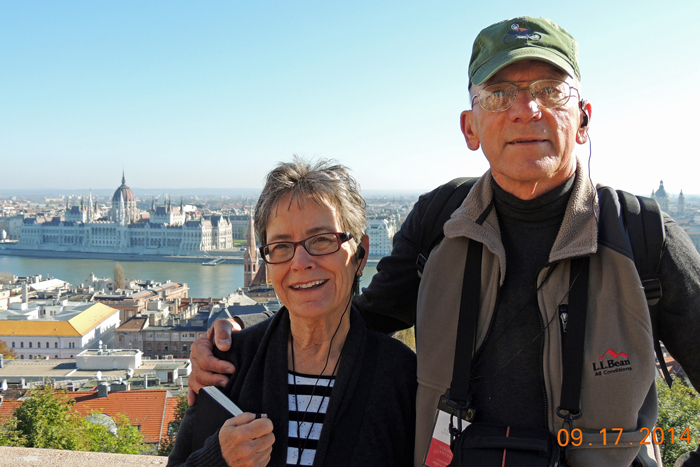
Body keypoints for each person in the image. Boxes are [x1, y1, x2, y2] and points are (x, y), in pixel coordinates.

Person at [188, 17, 700, 467]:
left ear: (583, 118)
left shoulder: (643, 237)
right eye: (499, 95)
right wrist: (236, 342)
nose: (526, 110)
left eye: (550, 90)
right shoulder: (441, 222)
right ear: (470, 127)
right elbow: (348, 318)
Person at [168, 158, 416, 467]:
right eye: (282, 246)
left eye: (322, 240)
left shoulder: (401, 375)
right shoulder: (229, 363)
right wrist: (219, 458)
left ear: (360, 255)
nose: (300, 262)